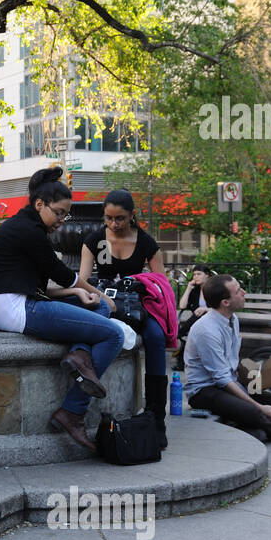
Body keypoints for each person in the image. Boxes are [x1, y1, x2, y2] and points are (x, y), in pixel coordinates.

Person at [0, 167, 124, 451]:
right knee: (112, 335)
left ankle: (80, 355)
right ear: (39, 204)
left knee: (92, 308)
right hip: (17, 310)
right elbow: (63, 273)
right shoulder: (29, 231)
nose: (61, 220)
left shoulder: (20, 225)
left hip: (22, 302)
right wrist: (101, 295)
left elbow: (42, 285)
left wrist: (79, 293)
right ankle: (73, 411)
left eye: (65, 214)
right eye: (58, 213)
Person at [76, 190, 171, 446]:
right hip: (105, 302)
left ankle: (156, 418)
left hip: (136, 305)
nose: (114, 224)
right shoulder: (95, 240)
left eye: (120, 218)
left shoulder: (147, 243)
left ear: (132, 216)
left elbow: (160, 283)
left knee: (155, 336)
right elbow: (82, 280)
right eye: (108, 218)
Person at [185, 274, 271, 442]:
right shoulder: (206, 330)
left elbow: (233, 365)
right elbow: (221, 378)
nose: (244, 292)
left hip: (231, 383)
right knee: (254, 411)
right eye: (238, 291)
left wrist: (255, 382)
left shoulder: (232, 319)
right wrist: (259, 406)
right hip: (205, 391)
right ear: (225, 302)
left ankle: (249, 424)